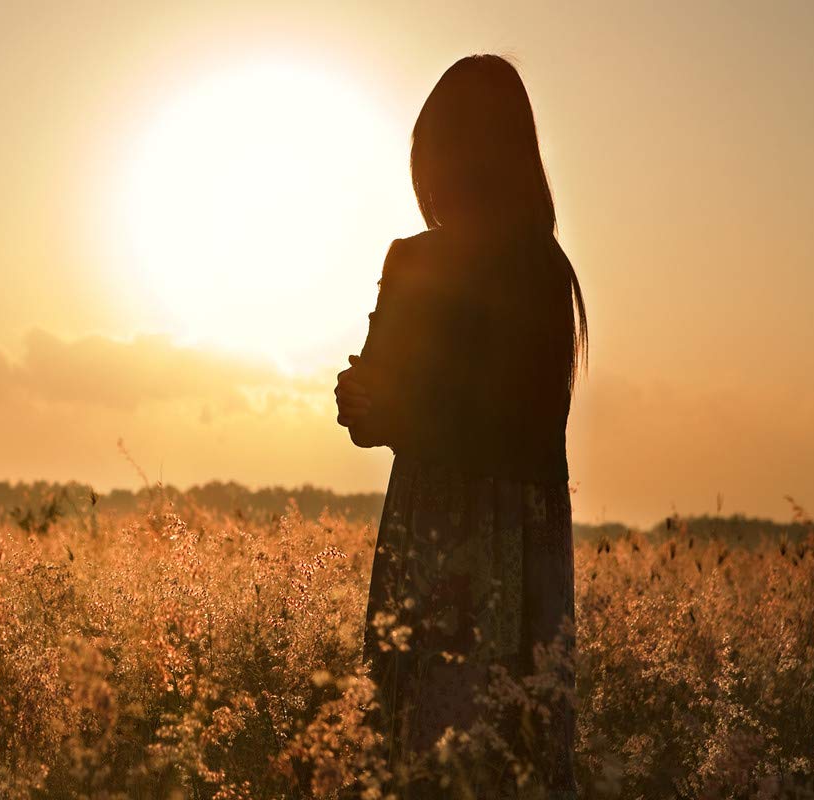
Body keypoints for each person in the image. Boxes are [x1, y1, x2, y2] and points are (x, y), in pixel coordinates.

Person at [335, 54, 587, 798]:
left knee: (475, 755)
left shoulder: (538, 270)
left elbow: (515, 424)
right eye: (433, 144)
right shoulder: (419, 261)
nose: (436, 164)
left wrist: (392, 413)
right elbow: (385, 398)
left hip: (487, 534)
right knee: (443, 755)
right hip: (448, 527)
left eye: (447, 143)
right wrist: (362, 402)